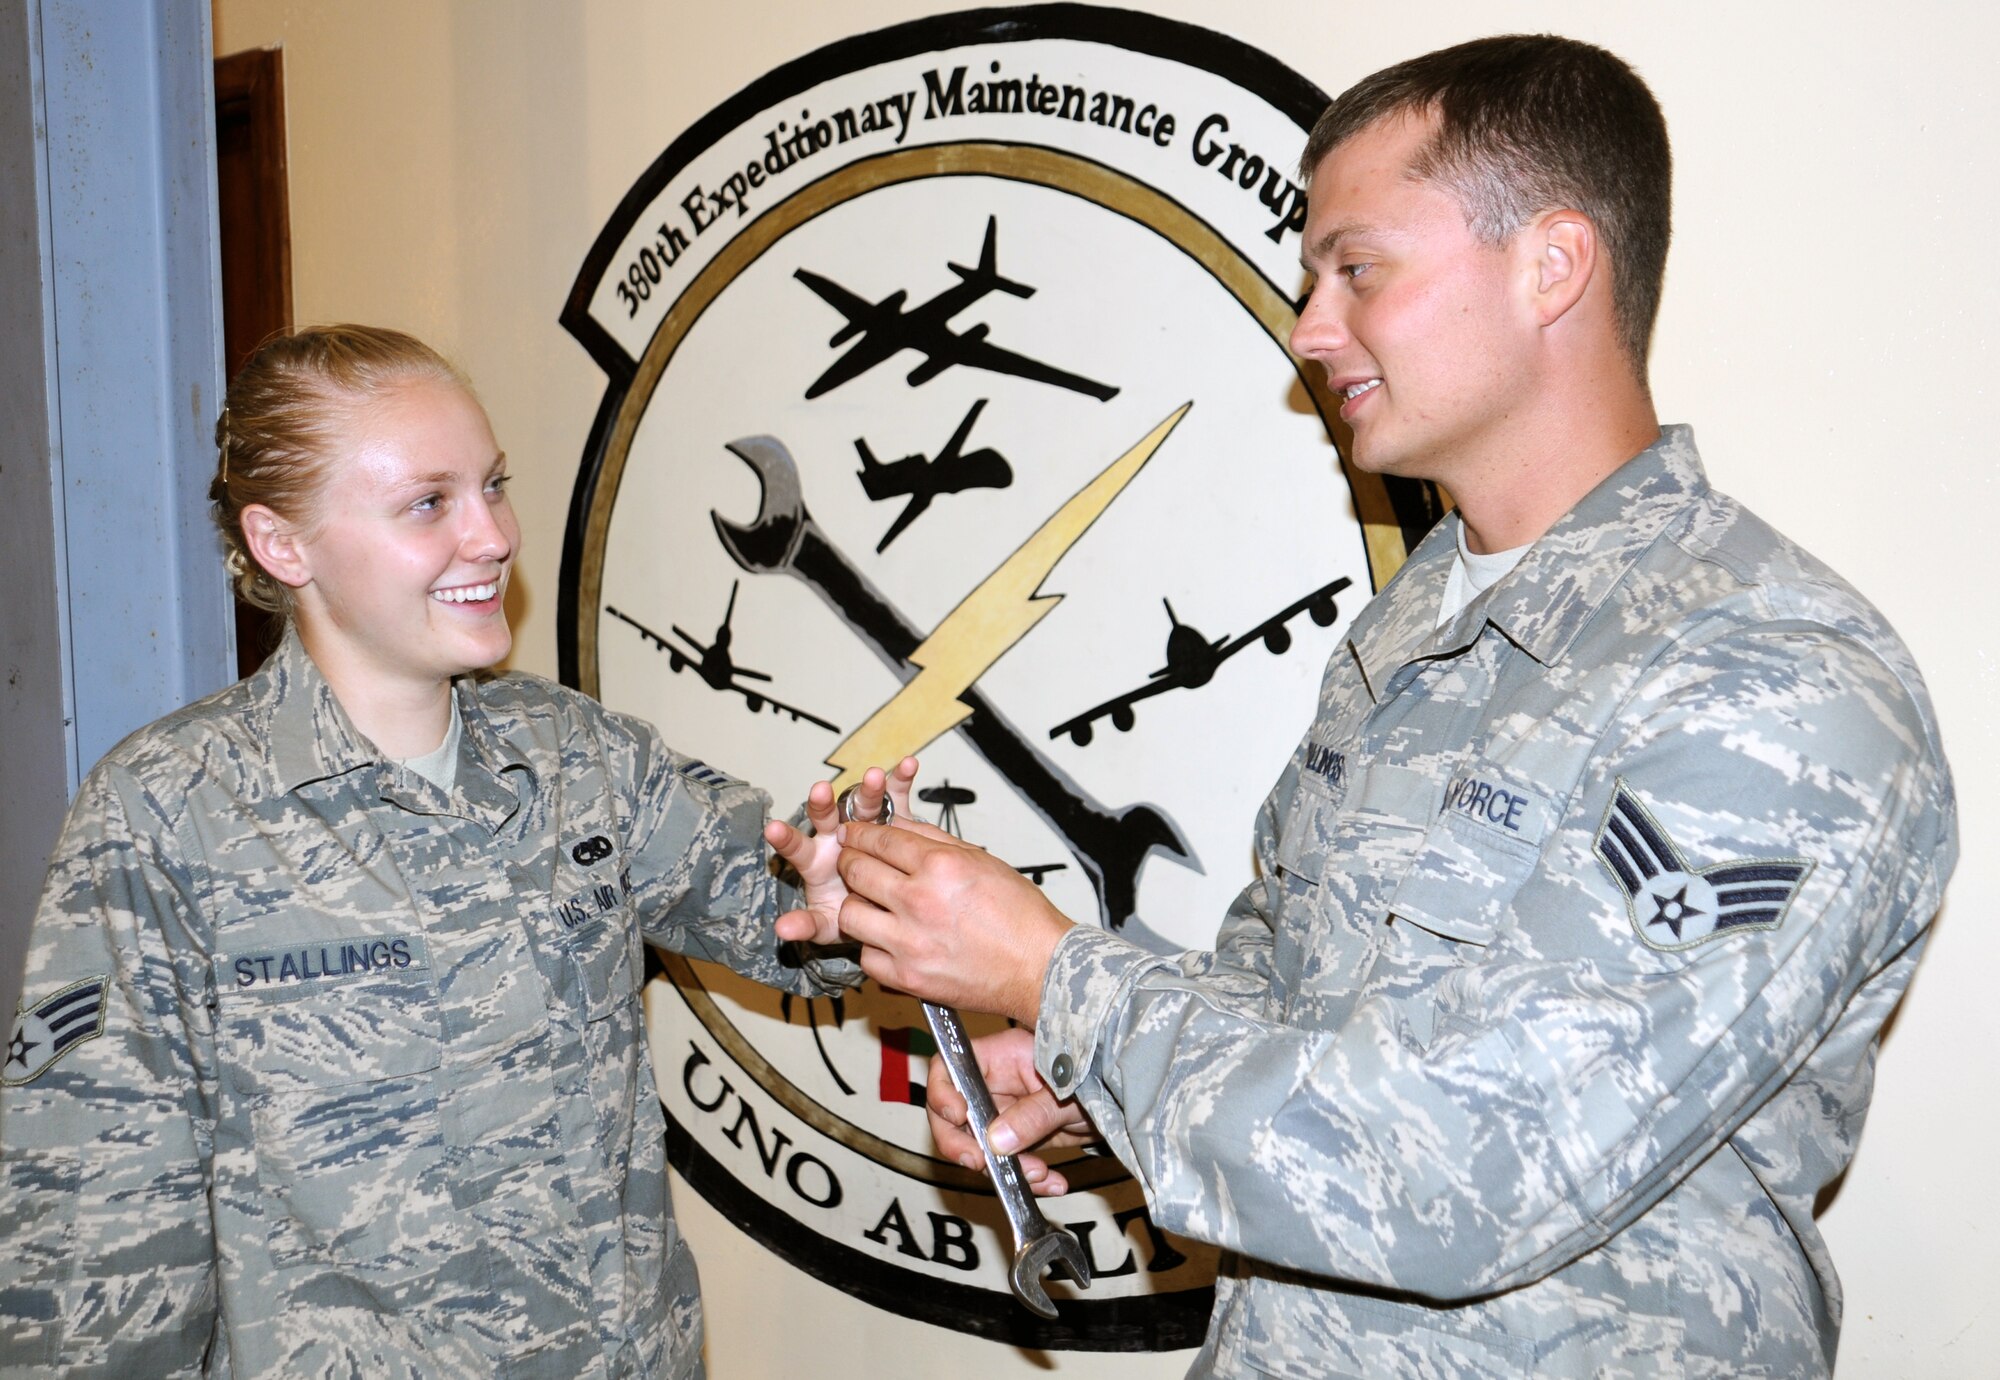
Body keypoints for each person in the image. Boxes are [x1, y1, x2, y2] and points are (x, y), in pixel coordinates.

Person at [824, 35, 1958, 1378]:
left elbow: (1472, 1166)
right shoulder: (1411, 629)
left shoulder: (1774, 678)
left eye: (1357, 268)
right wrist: (1083, 1092)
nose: (1309, 326)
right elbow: (1289, 993)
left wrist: (1057, 977)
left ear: (1553, 266)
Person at [0, 324, 903, 1377]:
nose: (491, 535)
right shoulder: (167, 812)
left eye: (492, 486)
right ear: (283, 544)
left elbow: (779, 910)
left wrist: (851, 893)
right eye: (429, 504)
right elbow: (97, 1233)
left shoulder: (579, 757)